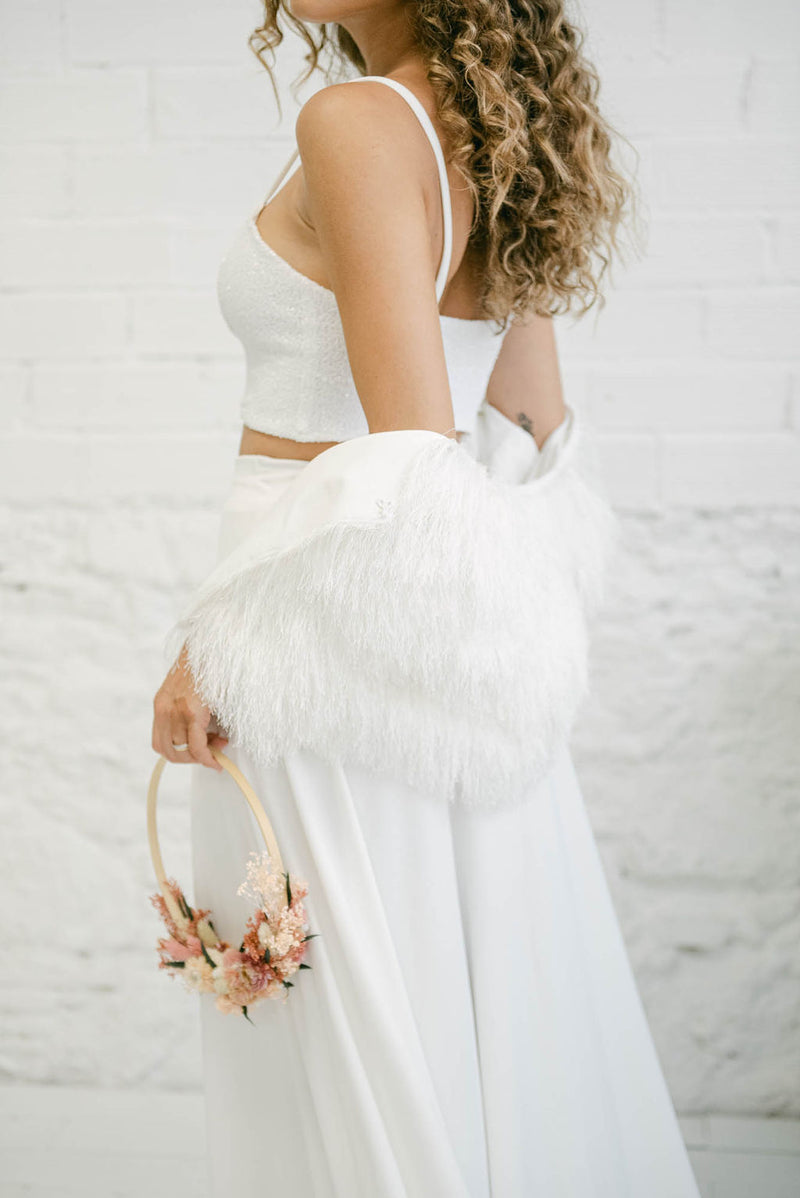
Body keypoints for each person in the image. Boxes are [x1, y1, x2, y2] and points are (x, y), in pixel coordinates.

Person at [151, 2, 702, 1194]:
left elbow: (405, 449)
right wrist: (501, 642)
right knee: (435, 983)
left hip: (310, 619)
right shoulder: (498, 133)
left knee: (337, 1006)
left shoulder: (354, 119)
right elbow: (529, 428)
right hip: (424, 633)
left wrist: (219, 636)